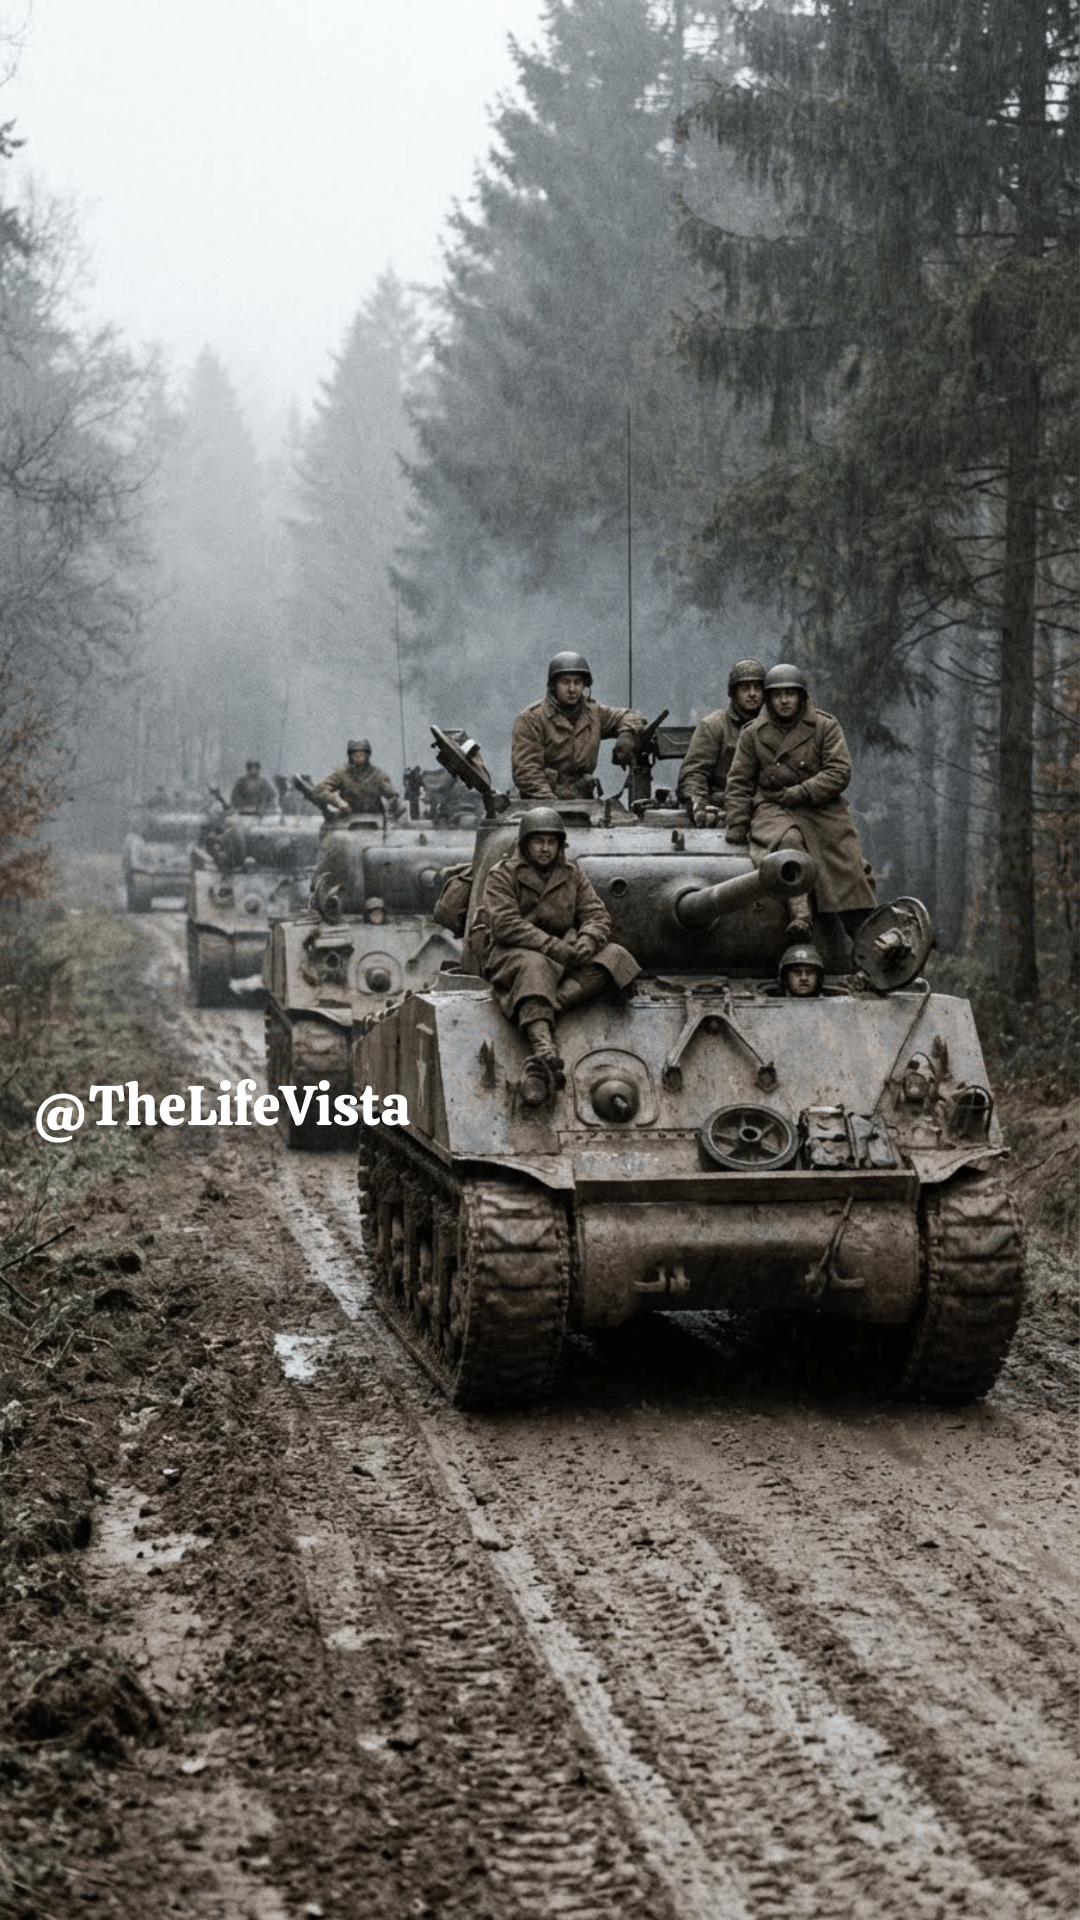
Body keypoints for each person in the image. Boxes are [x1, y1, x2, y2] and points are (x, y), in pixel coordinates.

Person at [477, 807, 639, 1077]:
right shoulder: (503, 874)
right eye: (538, 841)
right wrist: (551, 946)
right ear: (525, 843)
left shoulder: (571, 873)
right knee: (535, 965)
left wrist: (588, 939)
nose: (545, 849)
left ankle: (545, 1004)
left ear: (560, 845)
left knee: (615, 956)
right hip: (513, 953)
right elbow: (505, 924)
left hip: (565, 951)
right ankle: (544, 1048)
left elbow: (596, 914)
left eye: (551, 842)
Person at [724, 663, 876, 940]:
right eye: (777, 694)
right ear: (768, 699)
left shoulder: (824, 726)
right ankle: (801, 916)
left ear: (801, 696)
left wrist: (802, 792)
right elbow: (739, 782)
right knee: (788, 841)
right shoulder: (753, 733)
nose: (784, 701)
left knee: (847, 864)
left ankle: (868, 939)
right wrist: (737, 826)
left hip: (821, 806)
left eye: (790, 694)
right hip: (773, 805)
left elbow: (839, 771)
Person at [511, 652, 645, 801]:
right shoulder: (532, 718)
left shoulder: (594, 713)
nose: (572, 689)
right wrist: (554, 805)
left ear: (584, 685)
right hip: (541, 802)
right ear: (554, 685)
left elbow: (633, 716)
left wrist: (626, 733)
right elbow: (527, 772)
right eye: (565, 682)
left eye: (577, 682)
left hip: (582, 799)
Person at [677, 659, 765, 825]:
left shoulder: (772, 726)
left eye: (757, 687)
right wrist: (698, 804)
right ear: (733, 692)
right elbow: (694, 774)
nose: (752, 693)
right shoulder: (714, 726)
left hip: (768, 808)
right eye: (745, 688)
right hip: (724, 808)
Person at [314, 739, 405, 818]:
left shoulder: (378, 774)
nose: (358, 756)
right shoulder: (341, 773)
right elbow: (319, 789)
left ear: (368, 755)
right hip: (348, 818)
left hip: (375, 819)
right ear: (350, 755)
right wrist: (338, 802)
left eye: (362, 753)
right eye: (355, 753)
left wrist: (391, 810)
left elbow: (393, 796)